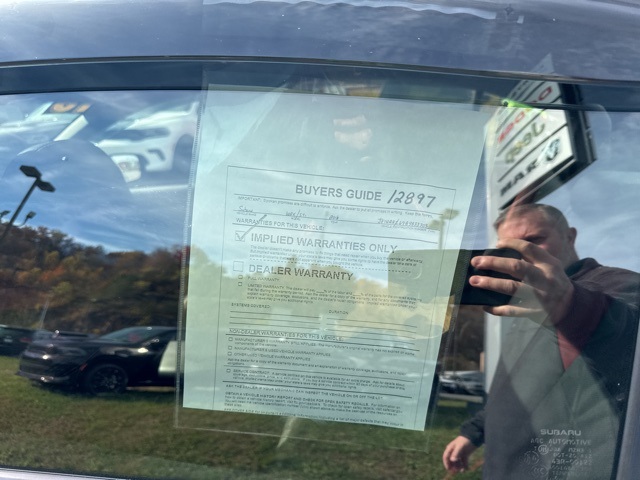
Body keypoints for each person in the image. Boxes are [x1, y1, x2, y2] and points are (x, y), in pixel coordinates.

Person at [442, 203, 640, 479]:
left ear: (570, 236)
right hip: (501, 468)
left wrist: (571, 306)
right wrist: (473, 433)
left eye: (534, 240)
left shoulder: (619, 284)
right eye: (508, 249)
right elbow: (514, 384)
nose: (522, 255)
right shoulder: (527, 302)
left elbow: (625, 332)